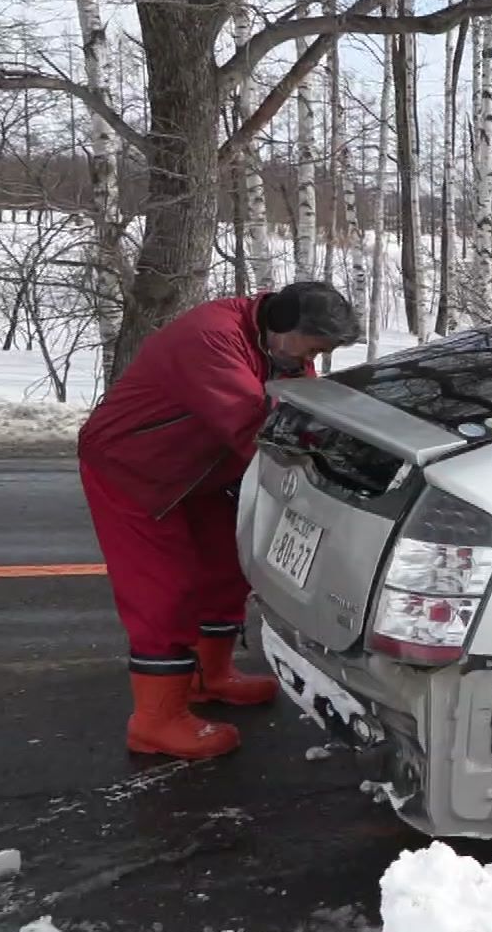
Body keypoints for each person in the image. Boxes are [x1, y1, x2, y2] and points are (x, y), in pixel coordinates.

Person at [79, 282, 361, 759]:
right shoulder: (210, 339)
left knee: (229, 565)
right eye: (318, 346)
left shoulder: (282, 348)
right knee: (165, 589)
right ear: (284, 327)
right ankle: (155, 720)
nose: (320, 356)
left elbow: (301, 411)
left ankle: (210, 678)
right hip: (134, 468)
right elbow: (259, 427)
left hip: (203, 471)